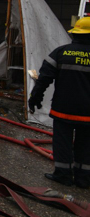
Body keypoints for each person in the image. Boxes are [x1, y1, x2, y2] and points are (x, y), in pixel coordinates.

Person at [28, 17, 90, 189]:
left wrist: (35, 98)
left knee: (62, 142)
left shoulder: (61, 53)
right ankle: (83, 179)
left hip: (64, 109)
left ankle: (63, 175)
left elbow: (43, 79)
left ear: (75, 35)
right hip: (88, 114)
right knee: (86, 145)